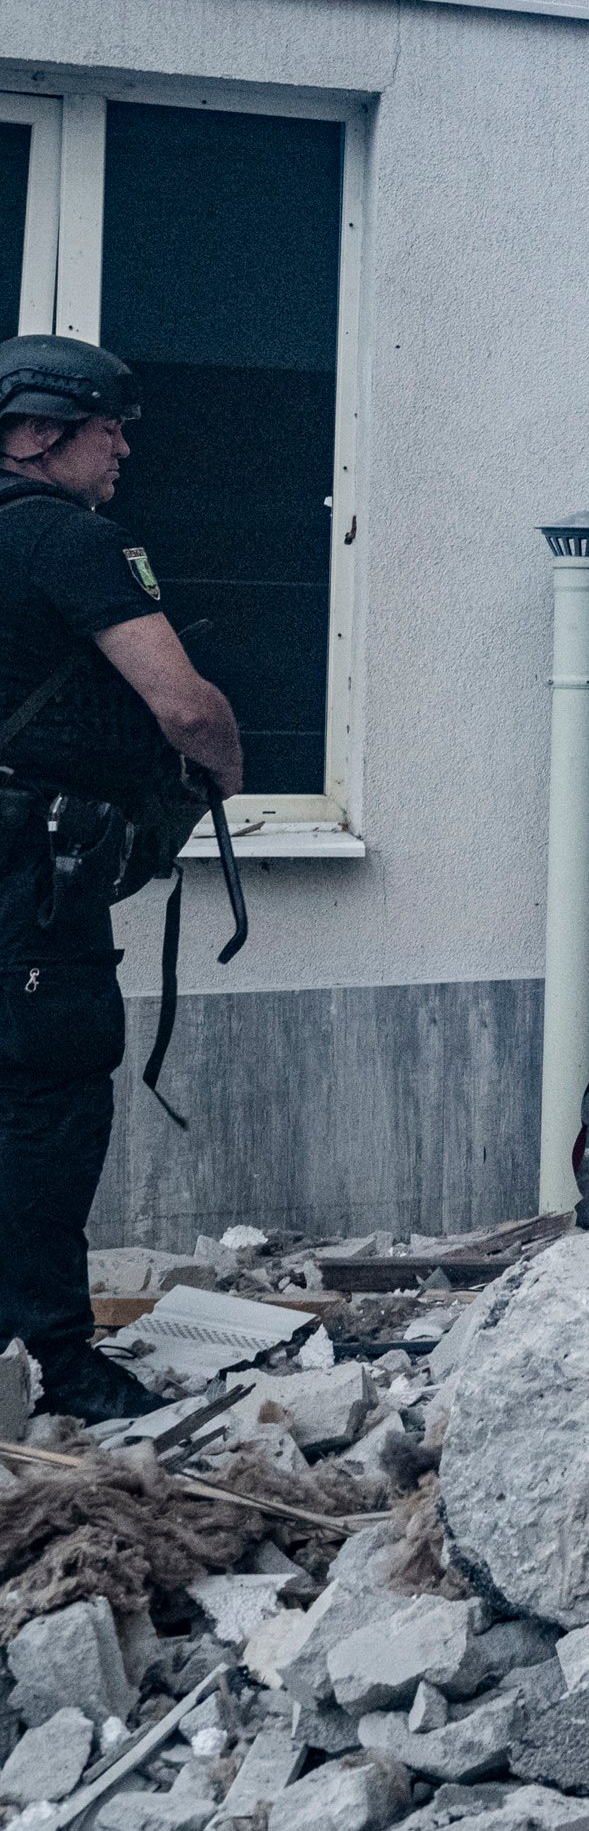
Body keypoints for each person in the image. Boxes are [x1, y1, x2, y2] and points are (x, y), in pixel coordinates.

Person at [0, 340, 242, 1422]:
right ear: (43, 429)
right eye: (112, 425)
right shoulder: (64, 534)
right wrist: (223, 767)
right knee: (46, 1109)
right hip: (27, 884)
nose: (127, 446)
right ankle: (54, 1358)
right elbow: (183, 706)